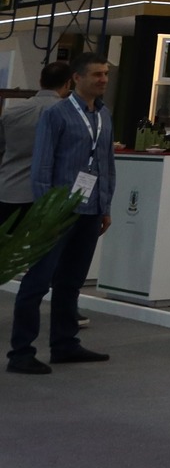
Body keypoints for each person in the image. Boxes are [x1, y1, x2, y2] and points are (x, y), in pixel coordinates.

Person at [9, 51, 116, 375]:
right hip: (58, 210)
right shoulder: (56, 114)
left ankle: (65, 343)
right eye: (97, 74)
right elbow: (42, 166)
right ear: (77, 78)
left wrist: (105, 206)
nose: (103, 80)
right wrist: (46, 211)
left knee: (71, 281)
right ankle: (21, 352)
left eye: (106, 74)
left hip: (90, 209)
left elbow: (106, 163)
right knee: (38, 281)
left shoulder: (103, 114)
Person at [0, 61, 72, 227]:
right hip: (48, 198)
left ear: (40, 81)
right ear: (68, 84)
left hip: (8, 190)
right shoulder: (69, 115)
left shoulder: (11, 112)